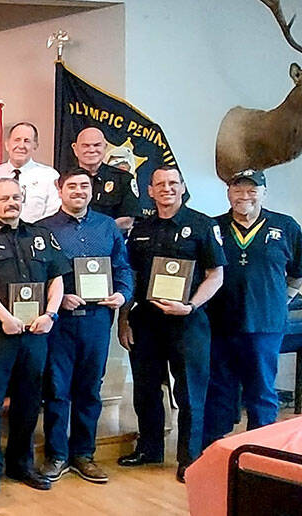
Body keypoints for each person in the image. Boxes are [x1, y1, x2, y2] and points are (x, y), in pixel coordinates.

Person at [117, 165, 224, 483]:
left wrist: (189, 306)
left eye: (173, 183)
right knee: (146, 388)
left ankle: (190, 458)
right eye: (160, 184)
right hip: (146, 321)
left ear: (182, 187)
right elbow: (131, 278)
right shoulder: (141, 229)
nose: (167, 188)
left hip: (187, 321)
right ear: (150, 190)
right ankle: (150, 449)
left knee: (190, 391)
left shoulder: (202, 225)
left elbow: (215, 276)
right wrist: (124, 320)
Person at [0, 178, 71, 493]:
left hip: (36, 332)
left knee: (28, 401)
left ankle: (22, 464)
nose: (11, 202)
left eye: (15, 197)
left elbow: (57, 278)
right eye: (4, 198)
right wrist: (6, 317)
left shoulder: (41, 235)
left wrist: (50, 314)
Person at [36, 167, 133, 484]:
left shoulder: (107, 227)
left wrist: (122, 294)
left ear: (91, 191)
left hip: (97, 321)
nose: (78, 191)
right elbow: (37, 277)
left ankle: (83, 454)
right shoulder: (43, 229)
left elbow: (123, 267)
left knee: (90, 389)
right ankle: (57, 455)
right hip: (60, 322)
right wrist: (58, 300)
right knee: (56, 389)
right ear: (60, 189)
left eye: (84, 186)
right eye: (72, 186)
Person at [205, 170, 302, 444]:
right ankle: (215, 449)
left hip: (265, 326)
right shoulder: (213, 226)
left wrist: (281, 300)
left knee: (261, 392)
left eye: (251, 190)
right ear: (228, 193)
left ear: (264, 192)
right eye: (237, 189)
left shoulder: (286, 226)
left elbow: (298, 272)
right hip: (220, 324)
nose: (244, 195)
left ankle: (260, 453)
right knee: (219, 390)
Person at [70, 127, 140, 230]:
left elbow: (127, 220)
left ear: (105, 147)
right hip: (71, 241)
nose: (91, 150)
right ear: (75, 149)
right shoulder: (65, 180)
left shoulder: (123, 179)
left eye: (97, 145)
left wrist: (97, 232)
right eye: (86, 145)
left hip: (109, 242)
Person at [0, 123, 60, 223]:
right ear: (7, 144)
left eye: (27, 141)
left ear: (35, 146)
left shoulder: (49, 176)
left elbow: (53, 212)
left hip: (34, 235)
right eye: (17, 140)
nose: (21, 146)